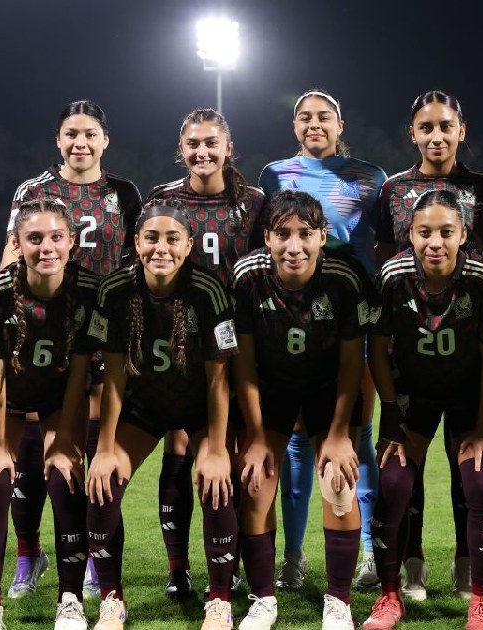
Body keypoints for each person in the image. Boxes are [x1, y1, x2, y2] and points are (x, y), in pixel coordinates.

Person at [0, 99, 143, 600]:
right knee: (28, 455)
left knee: (90, 454)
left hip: (100, 332)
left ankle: (91, 556)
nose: (80, 142)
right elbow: (11, 256)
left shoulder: (124, 193)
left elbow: (136, 259)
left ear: (105, 140)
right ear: (58, 139)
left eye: (90, 134)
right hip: (39, 335)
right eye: (71, 133)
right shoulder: (34, 190)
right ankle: (28, 553)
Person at [370, 91, 483, 599]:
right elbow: (387, 262)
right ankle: (413, 564)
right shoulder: (394, 190)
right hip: (413, 350)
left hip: (471, 338)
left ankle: (468, 564)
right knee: (405, 467)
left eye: (446, 126)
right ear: (413, 133)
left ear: (461, 130)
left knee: (470, 468)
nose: (436, 135)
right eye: (426, 127)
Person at [83, 199, 240, 630]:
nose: (161, 248)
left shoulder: (208, 291)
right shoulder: (114, 290)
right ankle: (111, 599)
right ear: (137, 242)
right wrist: (105, 447)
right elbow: (113, 375)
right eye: (151, 238)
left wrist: (216, 449)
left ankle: (220, 600)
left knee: (216, 484)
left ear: (188, 245)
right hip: (143, 407)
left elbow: (218, 380)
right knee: (103, 484)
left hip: (198, 407)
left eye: (173, 239)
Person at [257, 89, 386, 591]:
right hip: (296, 313)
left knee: (358, 434)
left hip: (352, 311)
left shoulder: (370, 176)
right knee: (295, 439)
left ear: (340, 124)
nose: (315, 124)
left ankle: (370, 551)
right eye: (305, 117)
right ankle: (293, 556)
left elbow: (384, 242)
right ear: (295, 127)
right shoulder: (274, 174)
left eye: (324, 117)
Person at [231, 190, 370, 630]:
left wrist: (339, 433)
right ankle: (263, 598)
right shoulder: (248, 277)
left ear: (322, 236)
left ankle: (339, 600)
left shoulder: (343, 278)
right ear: (267, 238)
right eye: (283, 234)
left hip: (328, 388)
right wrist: (255, 437)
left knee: (339, 485)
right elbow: (244, 363)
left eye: (305, 234)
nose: (294, 246)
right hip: (270, 388)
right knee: (256, 485)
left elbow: (353, 362)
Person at [0, 199, 100, 630]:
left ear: (71, 241)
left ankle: (70, 600)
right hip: (3, 390)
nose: (46, 247)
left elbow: (79, 375)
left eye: (56, 237)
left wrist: (64, 443)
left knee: (65, 476)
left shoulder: (89, 291)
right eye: (34, 238)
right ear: (17, 244)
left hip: (60, 391)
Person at [147, 107, 264, 598]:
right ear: (181, 149)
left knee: (235, 452)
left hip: (245, 342)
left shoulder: (254, 201)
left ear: (228, 148)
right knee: (179, 445)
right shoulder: (163, 199)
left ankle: (231, 564)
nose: (202, 152)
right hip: (185, 344)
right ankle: (178, 568)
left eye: (211, 143)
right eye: (193, 143)